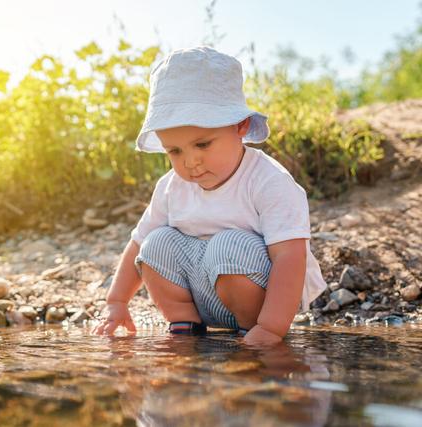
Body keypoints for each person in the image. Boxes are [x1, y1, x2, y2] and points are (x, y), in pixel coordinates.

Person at [92, 46, 327, 346]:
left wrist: (271, 328)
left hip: (265, 299)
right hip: (203, 296)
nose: (190, 162)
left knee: (228, 245)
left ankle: (251, 329)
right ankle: (185, 328)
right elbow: (137, 242)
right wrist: (117, 302)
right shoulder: (171, 186)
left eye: (202, 144)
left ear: (240, 126)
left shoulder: (269, 181)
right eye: (175, 151)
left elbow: (290, 257)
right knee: (154, 244)